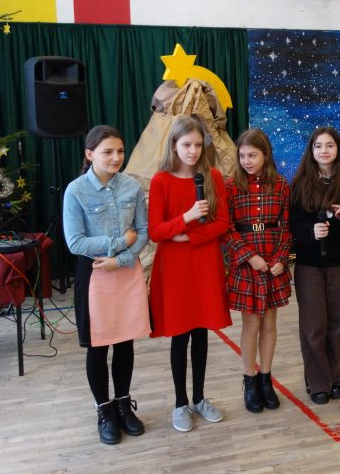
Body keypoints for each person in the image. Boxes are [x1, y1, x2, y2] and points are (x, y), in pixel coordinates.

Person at [63, 125, 151, 445]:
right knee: (98, 346)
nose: (116, 157)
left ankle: (123, 404)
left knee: (125, 342)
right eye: (108, 152)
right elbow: (75, 242)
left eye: (120, 151)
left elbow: (143, 231)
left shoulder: (131, 186)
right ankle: (104, 410)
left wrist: (121, 259)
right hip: (94, 275)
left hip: (125, 271)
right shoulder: (75, 191)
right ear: (90, 155)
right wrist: (118, 243)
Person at [148, 115, 232, 432]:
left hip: (204, 261)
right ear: (174, 145)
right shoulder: (161, 181)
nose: (193, 151)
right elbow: (156, 231)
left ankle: (199, 398)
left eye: (198, 145)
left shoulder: (212, 176)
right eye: (186, 144)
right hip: (174, 267)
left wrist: (190, 237)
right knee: (180, 333)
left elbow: (222, 223)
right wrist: (186, 217)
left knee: (201, 331)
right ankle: (180, 402)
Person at [289, 126, 340, 405]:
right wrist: (310, 232)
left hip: (339, 265)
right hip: (309, 266)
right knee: (314, 326)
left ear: (338, 150)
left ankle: (334, 377)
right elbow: (293, 225)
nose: (324, 151)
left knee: (336, 324)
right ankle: (318, 382)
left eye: (329, 145)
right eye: (318, 146)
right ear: (311, 151)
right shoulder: (300, 184)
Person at [225, 128, 292, 413]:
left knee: (269, 324)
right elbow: (227, 229)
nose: (247, 161)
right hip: (247, 266)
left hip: (273, 264)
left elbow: (287, 227)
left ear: (265, 154)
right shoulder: (231, 186)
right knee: (251, 325)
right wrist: (249, 257)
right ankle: (250, 380)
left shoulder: (281, 185)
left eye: (252, 155)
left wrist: (281, 258)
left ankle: (266, 378)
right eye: (242, 156)